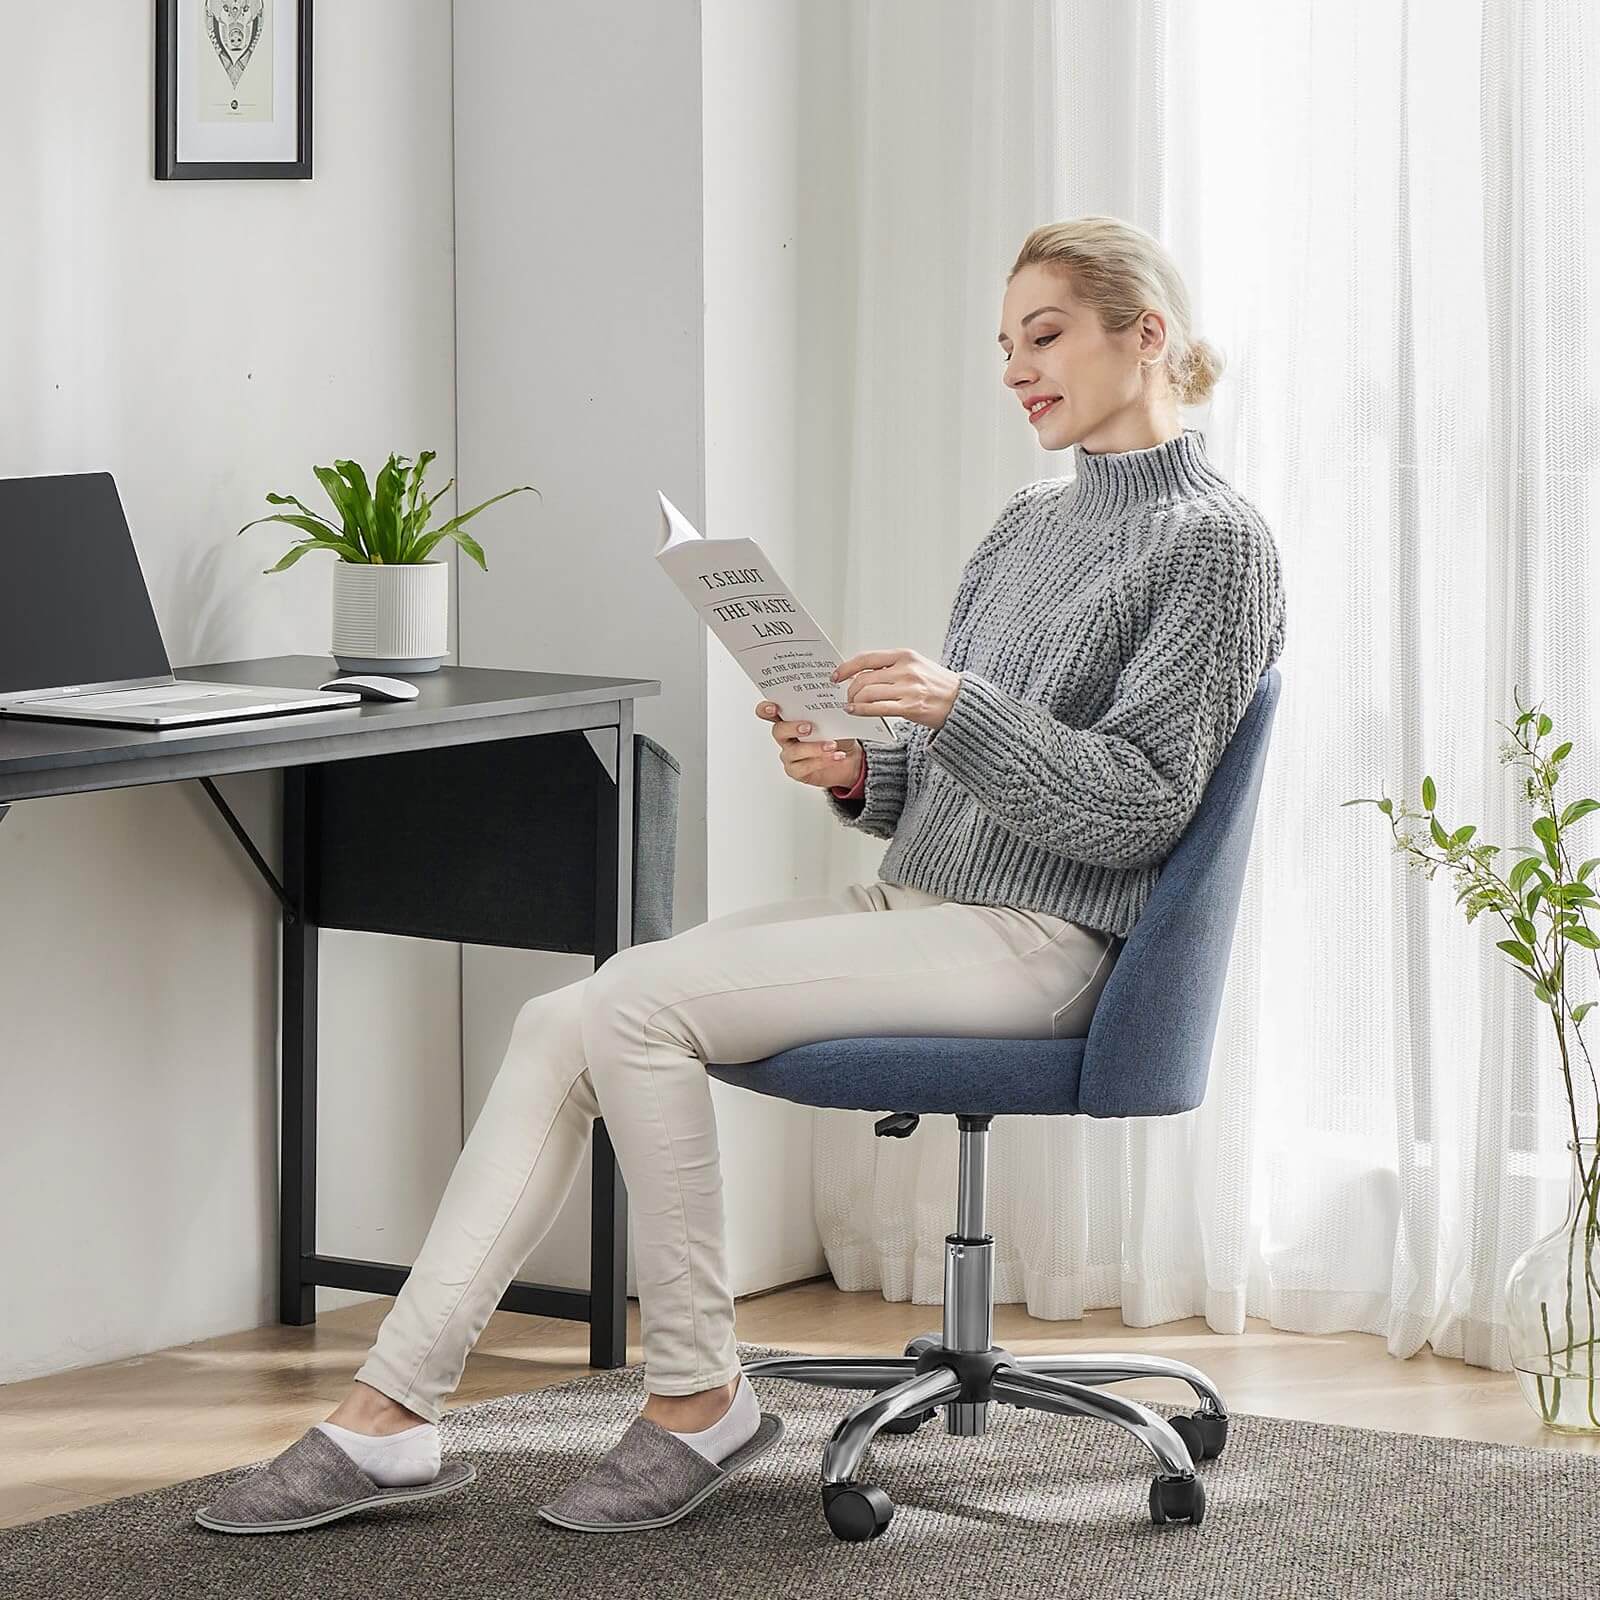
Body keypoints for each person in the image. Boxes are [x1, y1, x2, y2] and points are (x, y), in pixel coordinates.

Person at [194, 214, 1286, 1535]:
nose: (1017, 370)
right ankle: (388, 1415)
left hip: (1050, 943)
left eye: (1043, 337)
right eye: (1005, 347)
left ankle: (696, 1397)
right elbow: (956, 789)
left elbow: (1139, 809)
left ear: (1145, 332)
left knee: (632, 1004)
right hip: (931, 910)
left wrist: (958, 707)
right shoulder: (1021, 530)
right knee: (566, 1019)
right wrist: (858, 769)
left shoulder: (1215, 544)